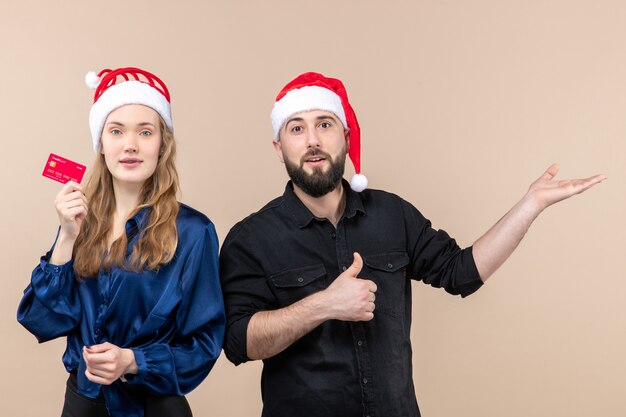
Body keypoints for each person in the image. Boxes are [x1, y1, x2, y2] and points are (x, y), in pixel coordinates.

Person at [219, 72, 606, 417]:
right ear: (279, 147)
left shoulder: (392, 214)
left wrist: (530, 205)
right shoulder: (251, 238)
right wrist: (323, 305)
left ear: (346, 137)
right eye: (297, 128)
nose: (313, 141)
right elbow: (238, 343)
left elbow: (463, 273)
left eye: (325, 124)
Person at [17, 67, 225, 417]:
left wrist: (132, 361)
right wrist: (67, 236)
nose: (130, 144)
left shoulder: (194, 231)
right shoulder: (80, 220)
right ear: (101, 143)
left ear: (162, 144)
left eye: (145, 132)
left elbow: (204, 346)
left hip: (155, 408)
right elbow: (41, 320)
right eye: (117, 131)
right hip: (83, 404)